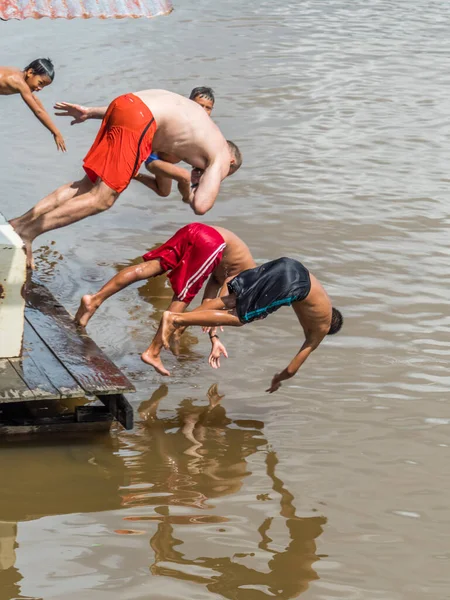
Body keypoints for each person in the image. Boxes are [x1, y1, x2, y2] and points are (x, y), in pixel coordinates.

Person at [9, 89, 242, 268]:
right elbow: (201, 206)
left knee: (86, 186)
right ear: (231, 163)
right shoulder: (222, 155)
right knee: (103, 198)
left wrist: (90, 112)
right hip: (141, 119)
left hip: (125, 105)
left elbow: (143, 108)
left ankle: (17, 224)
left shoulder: (201, 127)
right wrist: (195, 185)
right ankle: (27, 233)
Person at [75, 223, 256, 376]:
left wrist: (194, 330)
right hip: (211, 242)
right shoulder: (249, 279)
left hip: (196, 229)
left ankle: (94, 300)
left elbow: (209, 300)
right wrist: (214, 337)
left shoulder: (236, 266)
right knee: (184, 294)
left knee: (151, 267)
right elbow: (222, 304)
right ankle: (153, 352)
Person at [159, 257, 344, 392]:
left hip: (290, 265)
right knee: (241, 318)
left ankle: (182, 322)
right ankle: (176, 320)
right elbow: (292, 369)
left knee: (231, 300)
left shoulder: (323, 305)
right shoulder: (321, 329)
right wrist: (278, 379)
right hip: (293, 284)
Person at [134, 86, 216, 200]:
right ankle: (188, 199)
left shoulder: (205, 128)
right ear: (188, 103)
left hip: (168, 163)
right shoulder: (178, 120)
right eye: (199, 105)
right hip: (154, 160)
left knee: (163, 192)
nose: (203, 110)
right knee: (185, 177)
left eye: (208, 108)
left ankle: (135, 175)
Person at [0, 58, 66, 152]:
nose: (40, 88)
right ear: (30, 72)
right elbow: (38, 111)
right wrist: (56, 132)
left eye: (43, 86)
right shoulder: (19, 83)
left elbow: (37, 103)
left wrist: (52, 124)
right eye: (40, 83)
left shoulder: (19, 74)